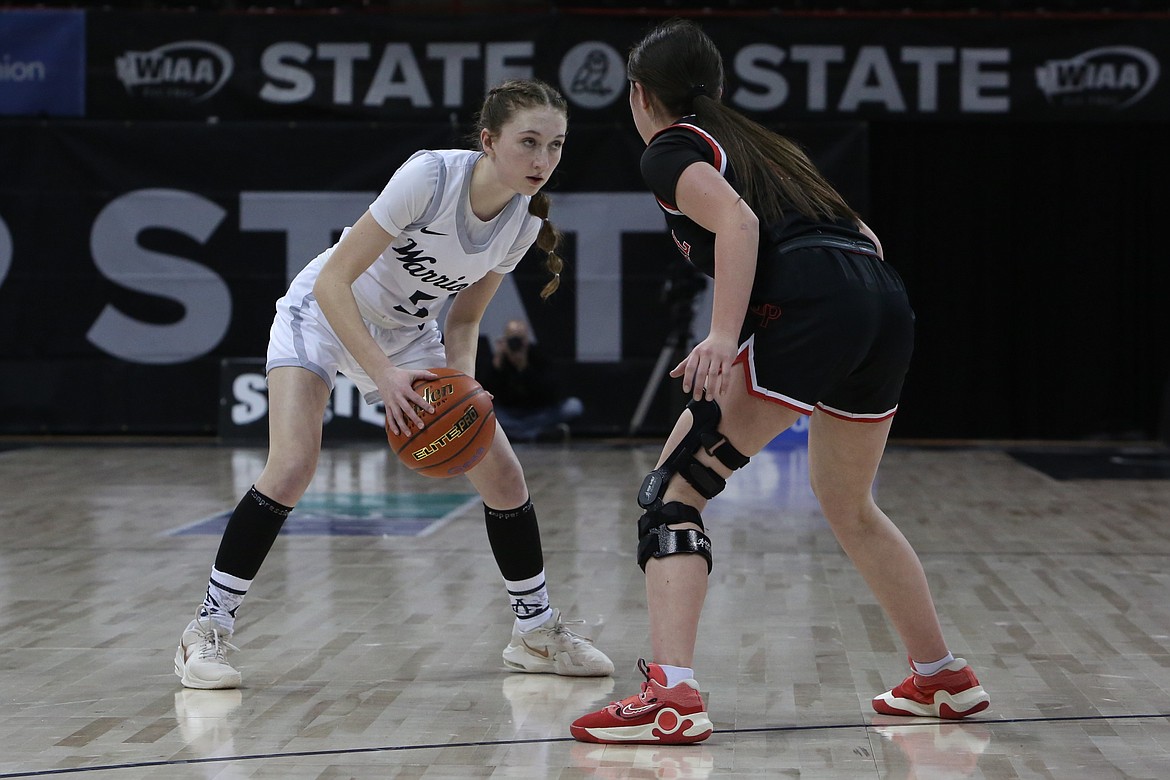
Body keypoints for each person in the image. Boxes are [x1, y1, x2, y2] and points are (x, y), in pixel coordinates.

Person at [571, 20, 989, 745]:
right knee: (849, 503)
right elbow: (867, 238)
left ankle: (671, 696)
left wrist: (727, 335)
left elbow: (736, 224)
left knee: (673, 492)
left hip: (820, 301)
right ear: (719, 86)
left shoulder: (672, 148)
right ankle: (941, 676)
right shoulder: (769, 147)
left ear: (639, 95)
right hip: (883, 300)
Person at [174, 79, 613, 690]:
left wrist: (462, 395)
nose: (542, 161)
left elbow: (463, 319)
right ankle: (206, 629)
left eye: (556, 146)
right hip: (325, 314)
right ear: (489, 140)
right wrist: (384, 375)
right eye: (529, 143)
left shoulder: (518, 225)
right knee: (294, 464)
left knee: (504, 473)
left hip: (409, 335)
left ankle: (534, 632)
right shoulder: (430, 178)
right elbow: (333, 282)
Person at [479, 319, 584, 442]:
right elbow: (486, 393)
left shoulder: (538, 356)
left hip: (538, 413)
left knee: (573, 406)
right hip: (509, 414)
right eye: (512, 339)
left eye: (520, 339)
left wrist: (523, 367)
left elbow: (552, 393)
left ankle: (519, 434)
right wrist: (496, 367)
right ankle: (536, 434)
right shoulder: (498, 361)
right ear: (505, 340)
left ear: (527, 340)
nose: (516, 343)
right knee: (486, 413)